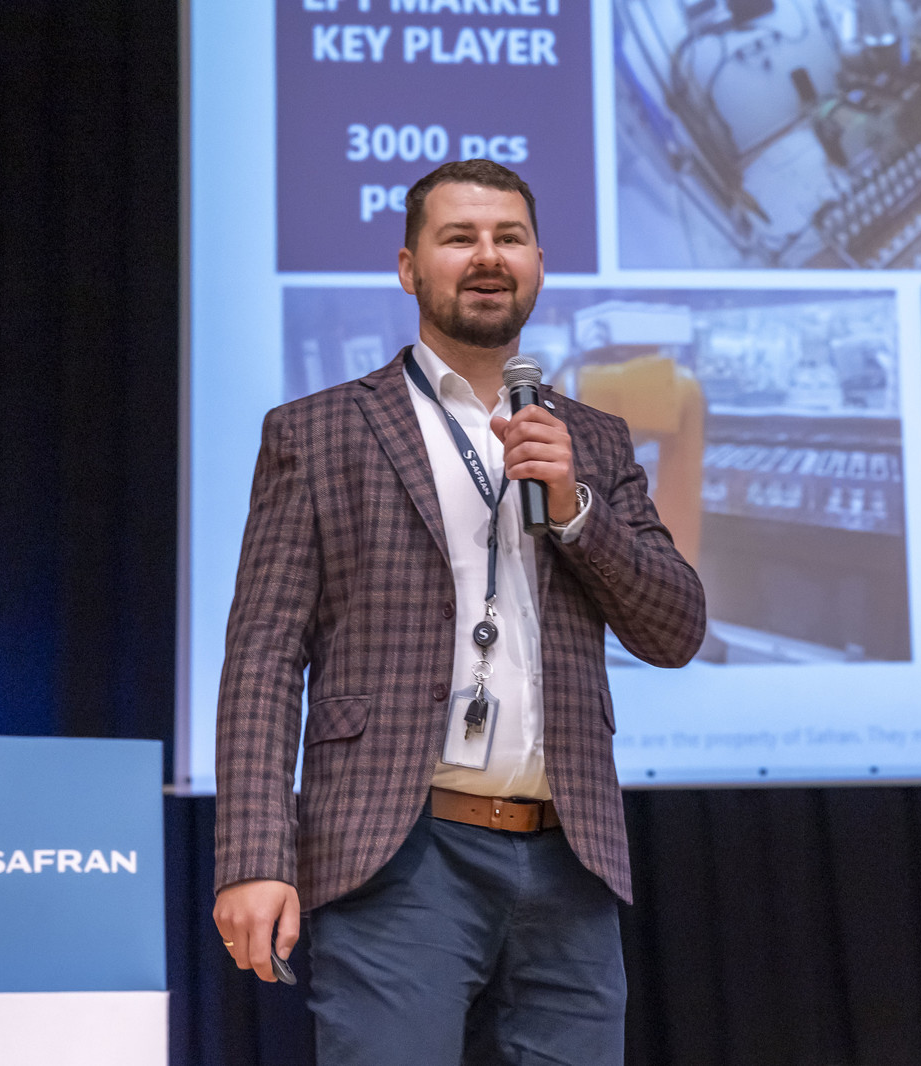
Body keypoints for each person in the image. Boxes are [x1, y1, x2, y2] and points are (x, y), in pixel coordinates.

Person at [211, 158, 707, 1064]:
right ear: (409, 269)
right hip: (400, 852)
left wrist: (577, 510)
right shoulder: (318, 433)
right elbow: (263, 658)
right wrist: (254, 856)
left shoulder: (592, 441)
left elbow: (675, 631)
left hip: (568, 858)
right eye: (459, 238)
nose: (488, 257)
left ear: (538, 266)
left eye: (509, 238)